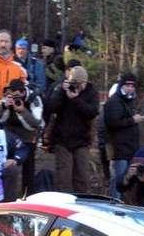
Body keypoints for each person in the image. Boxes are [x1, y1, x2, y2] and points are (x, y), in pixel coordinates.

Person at [43, 65, 101, 194]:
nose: (78, 86)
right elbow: (50, 107)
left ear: (86, 82)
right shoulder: (61, 89)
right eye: (75, 83)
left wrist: (75, 99)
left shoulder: (91, 92)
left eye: (81, 84)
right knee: (63, 178)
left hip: (82, 140)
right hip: (63, 140)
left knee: (82, 178)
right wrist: (61, 92)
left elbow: (91, 112)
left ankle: (81, 205)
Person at [0, 77, 42, 195]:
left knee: (28, 169)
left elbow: (35, 124)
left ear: (24, 92)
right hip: (11, 135)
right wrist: (4, 106)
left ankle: (27, 195)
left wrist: (22, 110)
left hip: (29, 136)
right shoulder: (7, 98)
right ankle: (3, 192)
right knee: (6, 165)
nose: (15, 97)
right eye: (12, 93)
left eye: (19, 94)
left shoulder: (35, 100)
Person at [103, 72, 144, 198]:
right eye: (128, 85)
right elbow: (113, 123)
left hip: (128, 149)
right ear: (122, 85)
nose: (130, 88)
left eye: (133, 86)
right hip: (117, 150)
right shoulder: (113, 102)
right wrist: (133, 120)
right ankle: (111, 210)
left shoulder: (130, 102)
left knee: (124, 184)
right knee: (116, 184)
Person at [0, 29, 28, 110]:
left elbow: (25, 88)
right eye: (1, 41)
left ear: (11, 44)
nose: (3, 44)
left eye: (6, 41)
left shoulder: (19, 65)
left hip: (9, 112)